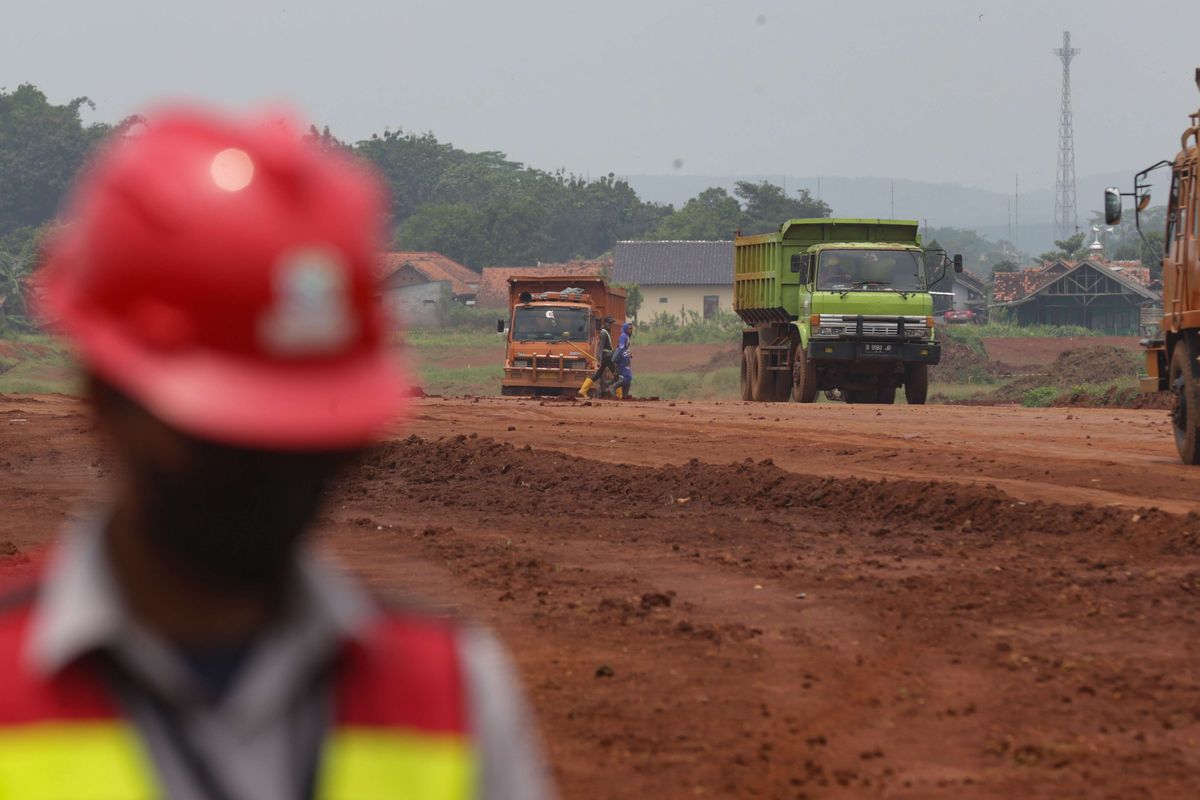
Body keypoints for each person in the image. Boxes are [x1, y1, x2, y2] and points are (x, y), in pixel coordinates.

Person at [0, 108, 552, 799]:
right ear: (103, 401)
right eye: (225, 436)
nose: (270, 477)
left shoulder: (454, 698)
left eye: (306, 437)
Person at [577, 315, 615, 397]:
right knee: (617, 373)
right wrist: (599, 359)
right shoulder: (604, 333)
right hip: (606, 357)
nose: (611, 325)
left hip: (606, 357)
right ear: (605, 323)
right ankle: (620, 395)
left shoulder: (606, 331)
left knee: (598, 374)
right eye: (610, 323)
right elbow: (600, 347)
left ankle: (583, 390)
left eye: (612, 323)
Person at [613, 321, 634, 399]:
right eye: (629, 328)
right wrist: (627, 355)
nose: (631, 330)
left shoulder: (627, 336)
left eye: (631, 329)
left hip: (626, 359)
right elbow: (621, 348)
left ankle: (624, 397)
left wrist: (629, 354)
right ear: (625, 328)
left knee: (628, 378)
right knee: (627, 377)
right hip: (622, 360)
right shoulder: (623, 336)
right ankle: (614, 387)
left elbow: (625, 348)